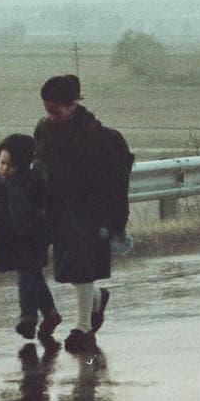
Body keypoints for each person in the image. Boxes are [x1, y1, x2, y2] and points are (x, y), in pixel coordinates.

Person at [32, 75, 134, 353]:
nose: (51, 116)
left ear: (74, 104)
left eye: (57, 110)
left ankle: (83, 327)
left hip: (91, 212)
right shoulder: (44, 129)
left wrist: (115, 220)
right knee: (68, 269)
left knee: (81, 264)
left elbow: (114, 180)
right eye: (47, 110)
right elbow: (39, 165)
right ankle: (97, 299)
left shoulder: (96, 136)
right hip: (59, 210)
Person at [0, 133, 62, 342]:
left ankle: (28, 317)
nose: (4, 169)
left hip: (34, 236)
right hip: (9, 238)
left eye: (11, 166)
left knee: (26, 272)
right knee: (32, 274)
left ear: (23, 165)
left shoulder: (32, 182)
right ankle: (50, 313)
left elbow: (46, 206)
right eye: (2, 163)